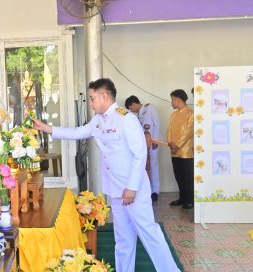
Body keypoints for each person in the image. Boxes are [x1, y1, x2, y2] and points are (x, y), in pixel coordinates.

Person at [32, 78, 180, 272]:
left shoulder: (126, 118)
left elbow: (140, 154)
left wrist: (131, 188)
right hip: (116, 189)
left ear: (104, 96)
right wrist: (48, 129)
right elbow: (78, 132)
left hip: (132, 189)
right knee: (123, 238)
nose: (91, 103)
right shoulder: (99, 120)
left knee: (149, 233)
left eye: (93, 98)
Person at [125, 95, 161, 201]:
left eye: (131, 108)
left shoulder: (150, 108)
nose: (132, 110)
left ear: (134, 104)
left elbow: (157, 125)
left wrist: (155, 141)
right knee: (145, 167)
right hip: (143, 144)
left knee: (153, 166)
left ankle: (155, 191)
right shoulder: (138, 114)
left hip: (152, 142)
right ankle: (147, 189)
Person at [167, 89, 194, 209]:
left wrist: (177, 145)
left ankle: (190, 200)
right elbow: (169, 130)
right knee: (178, 176)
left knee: (188, 177)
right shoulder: (173, 115)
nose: (171, 102)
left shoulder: (191, 114)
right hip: (174, 151)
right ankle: (182, 198)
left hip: (186, 152)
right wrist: (170, 143)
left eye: (172, 100)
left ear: (178, 100)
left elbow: (188, 132)